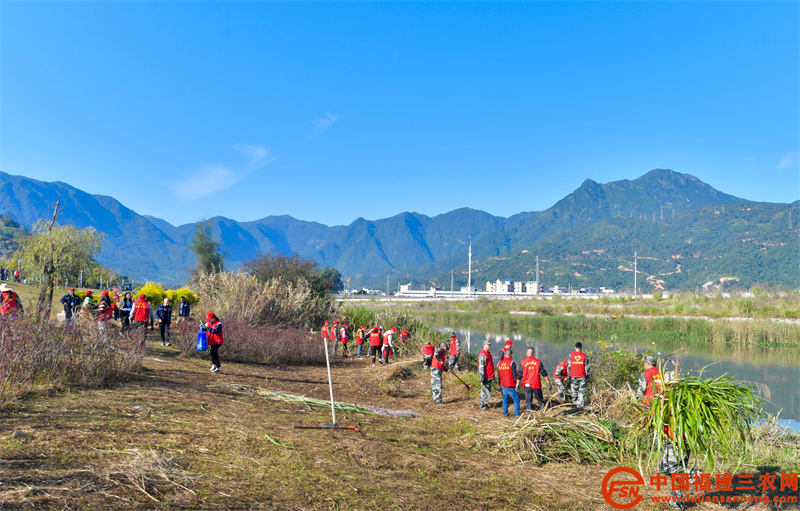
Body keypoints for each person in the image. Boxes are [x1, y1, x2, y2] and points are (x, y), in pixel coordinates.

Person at [521, 347, 553, 412]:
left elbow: (519, 374)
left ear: (527, 353)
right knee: (540, 399)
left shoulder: (523, 362)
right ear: (534, 354)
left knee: (528, 401)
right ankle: (542, 411)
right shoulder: (538, 362)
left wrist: (517, 384)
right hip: (536, 384)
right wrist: (548, 382)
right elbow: (543, 372)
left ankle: (529, 414)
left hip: (527, 385)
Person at [497, 349, 522, 417]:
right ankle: (516, 414)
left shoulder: (500, 363)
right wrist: (517, 384)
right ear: (511, 355)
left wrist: (499, 382)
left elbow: (499, 374)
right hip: (510, 384)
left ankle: (505, 413)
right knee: (516, 399)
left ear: (505, 355)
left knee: (505, 399)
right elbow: (514, 374)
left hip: (503, 384)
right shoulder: (511, 362)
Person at [567, 341, 590, 409]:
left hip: (573, 375)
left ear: (575, 347)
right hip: (582, 376)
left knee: (574, 390)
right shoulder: (584, 356)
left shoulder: (571, 355)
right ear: (581, 348)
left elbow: (569, 366)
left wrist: (568, 376)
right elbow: (587, 367)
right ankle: (580, 406)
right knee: (581, 392)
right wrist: (587, 375)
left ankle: (574, 404)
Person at [478, 342, 497, 411]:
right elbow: (481, 367)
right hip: (485, 376)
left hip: (489, 375)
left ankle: (485, 404)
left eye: (490, 344)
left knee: (488, 391)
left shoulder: (488, 354)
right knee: (484, 391)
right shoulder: (483, 355)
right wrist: (482, 377)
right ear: (484, 345)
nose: (489, 346)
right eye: (487, 345)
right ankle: (482, 405)